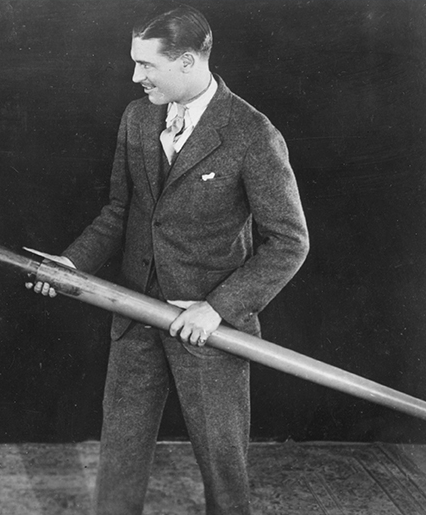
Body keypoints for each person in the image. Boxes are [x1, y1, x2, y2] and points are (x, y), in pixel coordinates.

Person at [27, 4, 309, 514]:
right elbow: (120, 211)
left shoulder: (252, 133)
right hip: (134, 316)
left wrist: (218, 308)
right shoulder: (138, 117)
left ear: (185, 62)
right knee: (119, 462)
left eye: (146, 65)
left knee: (224, 471)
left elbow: (289, 242)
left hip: (209, 331)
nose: (135, 77)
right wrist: (70, 266)